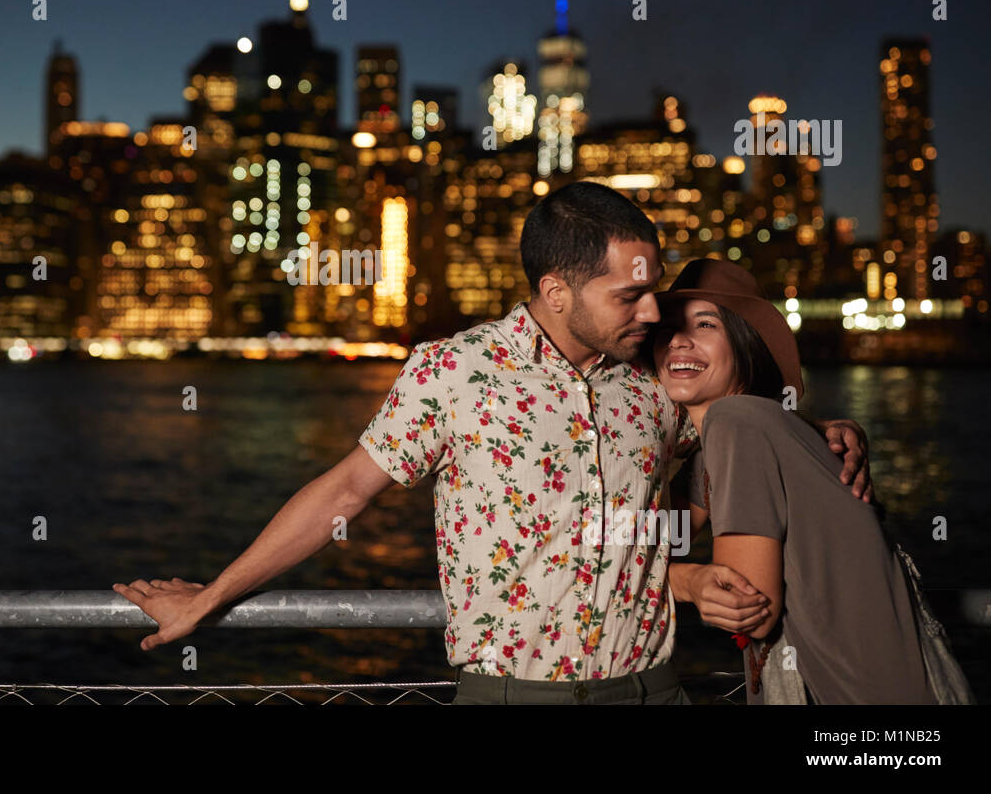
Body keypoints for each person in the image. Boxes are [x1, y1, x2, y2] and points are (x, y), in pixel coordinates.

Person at [113, 182, 871, 704]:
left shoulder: (650, 382)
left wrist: (819, 437)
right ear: (556, 293)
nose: (654, 311)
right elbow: (344, 493)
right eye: (630, 295)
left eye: (655, 287)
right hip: (511, 697)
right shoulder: (454, 371)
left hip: (652, 691)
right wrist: (210, 599)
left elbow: (688, 492)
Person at [655, 257, 974, 704]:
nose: (678, 340)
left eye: (705, 324)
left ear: (746, 345)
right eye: (666, 327)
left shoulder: (737, 422)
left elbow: (748, 608)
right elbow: (652, 540)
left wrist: (684, 582)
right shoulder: (742, 437)